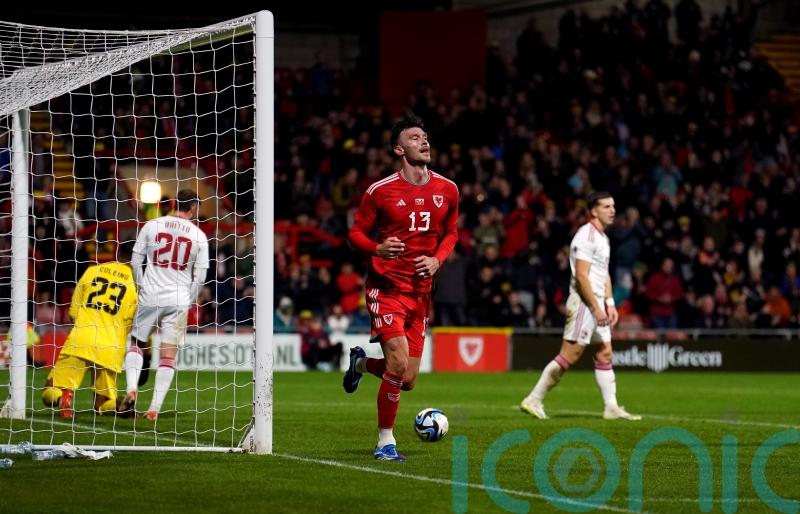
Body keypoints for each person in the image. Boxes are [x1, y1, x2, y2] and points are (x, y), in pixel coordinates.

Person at [342, 116, 459, 461]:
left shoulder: (447, 189)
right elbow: (355, 234)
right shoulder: (380, 191)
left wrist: (437, 259)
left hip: (421, 294)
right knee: (395, 361)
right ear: (399, 149)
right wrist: (376, 248)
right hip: (386, 287)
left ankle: (361, 365)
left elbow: (451, 233)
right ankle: (385, 443)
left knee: (406, 379)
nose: (424, 141)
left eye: (424, 136)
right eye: (414, 138)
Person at [520, 192, 641, 421]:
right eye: (606, 206)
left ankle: (611, 407)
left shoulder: (603, 238)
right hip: (585, 303)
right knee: (570, 354)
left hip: (597, 303)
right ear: (593, 211)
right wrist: (595, 307)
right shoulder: (585, 237)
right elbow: (582, 277)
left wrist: (610, 302)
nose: (612, 210)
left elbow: (602, 273)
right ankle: (533, 399)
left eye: (613, 206)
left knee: (604, 352)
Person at [120, 189, 209, 420]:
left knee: (137, 343)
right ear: (192, 208)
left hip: (150, 293)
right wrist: (188, 300)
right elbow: (200, 278)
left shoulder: (152, 225)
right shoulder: (199, 236)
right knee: (168, 355)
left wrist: (141, 287)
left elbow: (135, 260)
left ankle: (131, 388)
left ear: (173, 204)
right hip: (179, 298)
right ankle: (154, 409)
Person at [42, 243, 138, 419]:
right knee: (101, 404)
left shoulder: (92, 270)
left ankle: (64, 395)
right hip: (111, 347)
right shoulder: (134, 286)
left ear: (117, 253)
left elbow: (73, 312)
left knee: (50, 389)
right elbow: (131, 324)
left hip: (82, 337)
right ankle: (118, 406)